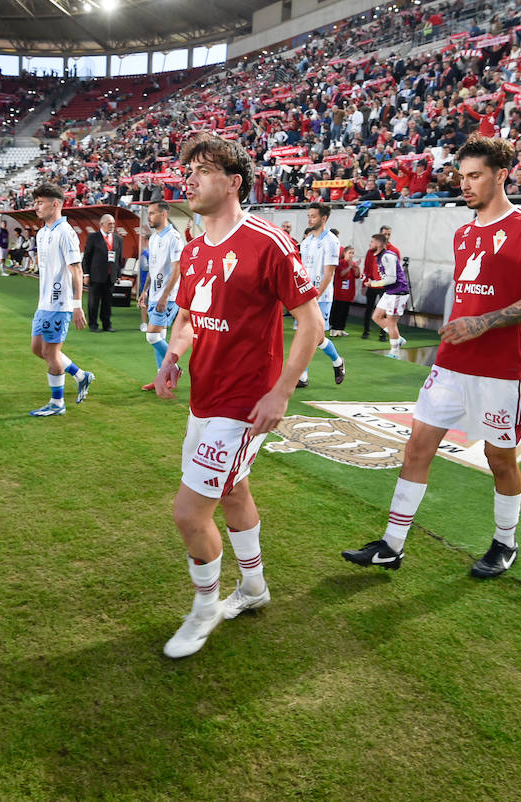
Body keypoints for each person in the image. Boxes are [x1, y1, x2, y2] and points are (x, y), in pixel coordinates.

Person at [343, 135, 521, 579]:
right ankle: (392, 545)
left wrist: (481, 323)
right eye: (461, 176)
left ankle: (505, 542)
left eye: (475, 176)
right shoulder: (463, 233)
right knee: (417, 448)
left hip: (501, 371)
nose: (465, 185)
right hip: (450, 364)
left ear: (501, 175)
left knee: (500, 460)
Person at [152, 133, 324, 658]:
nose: (191, 180)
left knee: (188, 513)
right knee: (234, 493)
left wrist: (280, 393)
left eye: (203, 171)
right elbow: (188, 317)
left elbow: (311, 324)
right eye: (188, 172)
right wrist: (173, 357)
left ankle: (204, 610)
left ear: (233, 182)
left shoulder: (267, 241)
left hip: (245, 406)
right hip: (205, 396)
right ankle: (253, 588)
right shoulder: (196, 245)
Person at [28, 182, 93, 417]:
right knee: (38, 349)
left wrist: (77, 306)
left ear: (55, 204)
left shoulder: (65, 232)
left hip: (59, 303)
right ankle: (80, 375)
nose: (36, 207)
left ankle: (57, 404)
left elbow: (76, 269)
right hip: (43, 302)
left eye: (40, 202)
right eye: (35, 202)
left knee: (52, 354)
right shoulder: (43, 232)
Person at [296, 202, 347, 386]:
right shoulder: (307, 241)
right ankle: (332, 364)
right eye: (309, 215)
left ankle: (336, 362)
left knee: (314, 337)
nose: (310, 218)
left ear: (324, 218)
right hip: (304, 296)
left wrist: (315, 295)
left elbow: (329, 273)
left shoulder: (331, 241)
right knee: (308, 336)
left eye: (314, 216)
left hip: (321, 298)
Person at [138, 201, 183, 391]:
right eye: (148, 213)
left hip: (168, 296)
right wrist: (145, 290)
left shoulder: (173, 237)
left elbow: (177, 269)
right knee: (160, 336)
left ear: (164, 214)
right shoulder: (155, 238)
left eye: (152, 213)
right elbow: (153, 268)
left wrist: (165, 296)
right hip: (154, 294)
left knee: (152, 336)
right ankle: (162, 379)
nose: (149, 217)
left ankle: (174, 368)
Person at [367, 233, 410, 358]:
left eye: (372, 242)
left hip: (398, 292)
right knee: (376, 316)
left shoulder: (387, 257)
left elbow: (391, 279)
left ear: (379, 244)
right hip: (390, 292)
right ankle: (398, 338)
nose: (370, 244)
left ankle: (395, 353)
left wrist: (373, 284)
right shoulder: (380, 256)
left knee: (391, 322)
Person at [81, 213, 122, 333]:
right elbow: (87, 257)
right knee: (93, 302)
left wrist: (118, 274)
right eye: (110, 224)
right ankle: (93, 325)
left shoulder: (118, 239)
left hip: (110, 276)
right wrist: (86, 274)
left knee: (107, 302)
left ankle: (107, 324)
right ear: (102, 224)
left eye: (113, 224)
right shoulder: (93, 237)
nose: (112, 226)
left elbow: (119, 259)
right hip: (96, 276)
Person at [329, 244, 360, 336]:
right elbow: (342, 274)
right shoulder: (340, 263)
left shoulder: (353, 264)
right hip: (340, 293)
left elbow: (357, 275)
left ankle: (341, 329)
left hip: (349, 293)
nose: (351, 255)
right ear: (345, 253)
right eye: (349, 253)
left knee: (345, 312)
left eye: (353, 253)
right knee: (338, 311)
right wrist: (349, 267)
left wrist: (356, 267)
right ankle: (334, 329)